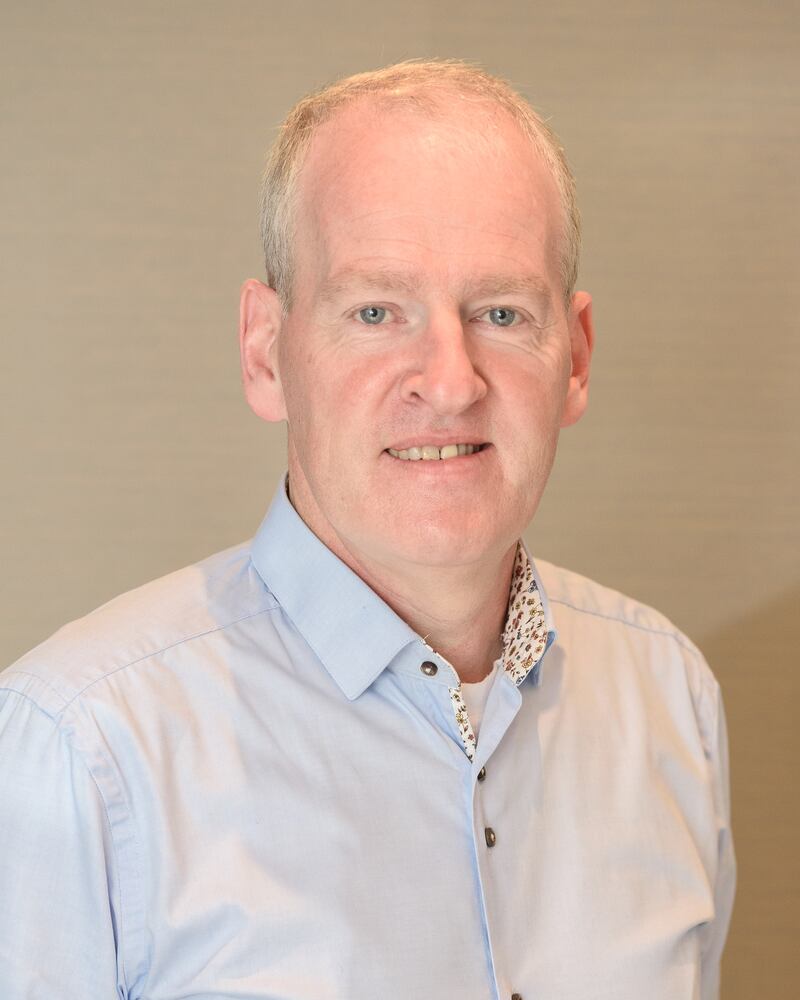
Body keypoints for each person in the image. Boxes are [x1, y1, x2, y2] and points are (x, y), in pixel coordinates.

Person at [0, 60, 734, 999]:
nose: (451, 382)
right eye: (376, 312)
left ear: (576, 358)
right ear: (266, 351)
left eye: (501, 313)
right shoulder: (81, 750)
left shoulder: (671, 696)